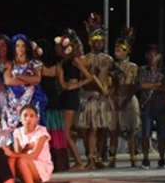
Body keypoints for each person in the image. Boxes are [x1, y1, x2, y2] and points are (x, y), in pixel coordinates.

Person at [77, 19, 115, 169]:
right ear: (90, 41)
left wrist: (110, 92)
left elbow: (115, 79)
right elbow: (84, 79)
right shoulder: (84, 59)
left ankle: (99, 156)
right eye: (95, 40)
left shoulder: (108, 59)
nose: (98, 43)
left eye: (101, 40)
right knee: (92, 128)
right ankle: (91, 158)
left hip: (104, 98)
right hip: (90, 97)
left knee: (103, 128)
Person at [54, 31, 90, 169]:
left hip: (71, 96)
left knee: (65, 132)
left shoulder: (74, 60)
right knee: (68, 130)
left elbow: (89, 77)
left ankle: (79, 162)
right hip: (64, 95)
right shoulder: (62, 62)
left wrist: (76, 85)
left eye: (58, 47)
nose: (56, 49)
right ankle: (77, 159)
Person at [109, 37, 141, 167]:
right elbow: (112, 85)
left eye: (119, 50)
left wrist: (125, 101)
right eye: (115, 50)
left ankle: (133, 158)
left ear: (126, 51)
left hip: (129, 99)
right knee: (113, 130)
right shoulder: (112, 67)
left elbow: (134, 85)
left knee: (130, 130)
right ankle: (112, 159)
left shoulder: (133, 67)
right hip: (115, 99)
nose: (116, 52)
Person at [137, 45, 165, 169]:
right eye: (150, 55)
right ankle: (146, 159)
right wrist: (157, 85)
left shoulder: (164, 71)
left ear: (159, 56)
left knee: (163, 134)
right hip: (147, 105)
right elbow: (141, 85)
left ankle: (162, 158)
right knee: (146, 134)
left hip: (161, 106)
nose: (152, 57)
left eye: (154, 55)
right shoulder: (142, 70)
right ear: (147, 56)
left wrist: (151, 85)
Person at [10, 104, 52, 183]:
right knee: (13, 160)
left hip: (40, 165)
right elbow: (17, 153)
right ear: (20, 118)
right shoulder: (17, 132)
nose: (28, 119)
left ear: (37, 119)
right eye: (25, 116)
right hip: (25, 162)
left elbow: (35, 155)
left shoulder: (41, 131)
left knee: (21, 161)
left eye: (32, 116)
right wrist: (26, 148)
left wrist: (14, 154)